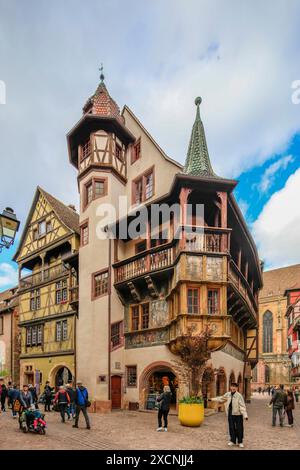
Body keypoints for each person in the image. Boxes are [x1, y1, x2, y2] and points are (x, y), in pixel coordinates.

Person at [210, 382, 248, 448]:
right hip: (230, 414)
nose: (233, 388)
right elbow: (221, 398)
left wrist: (245, 415)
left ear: (236, 388)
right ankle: (232, 441)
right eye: (232, 386)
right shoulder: (228, 394)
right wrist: (211, 399)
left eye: (234, 387)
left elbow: (242, 406)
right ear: (230, 387)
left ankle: (240, 442)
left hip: (238, 414)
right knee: (231, 427)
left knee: (239, 428)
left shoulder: (239, 396)